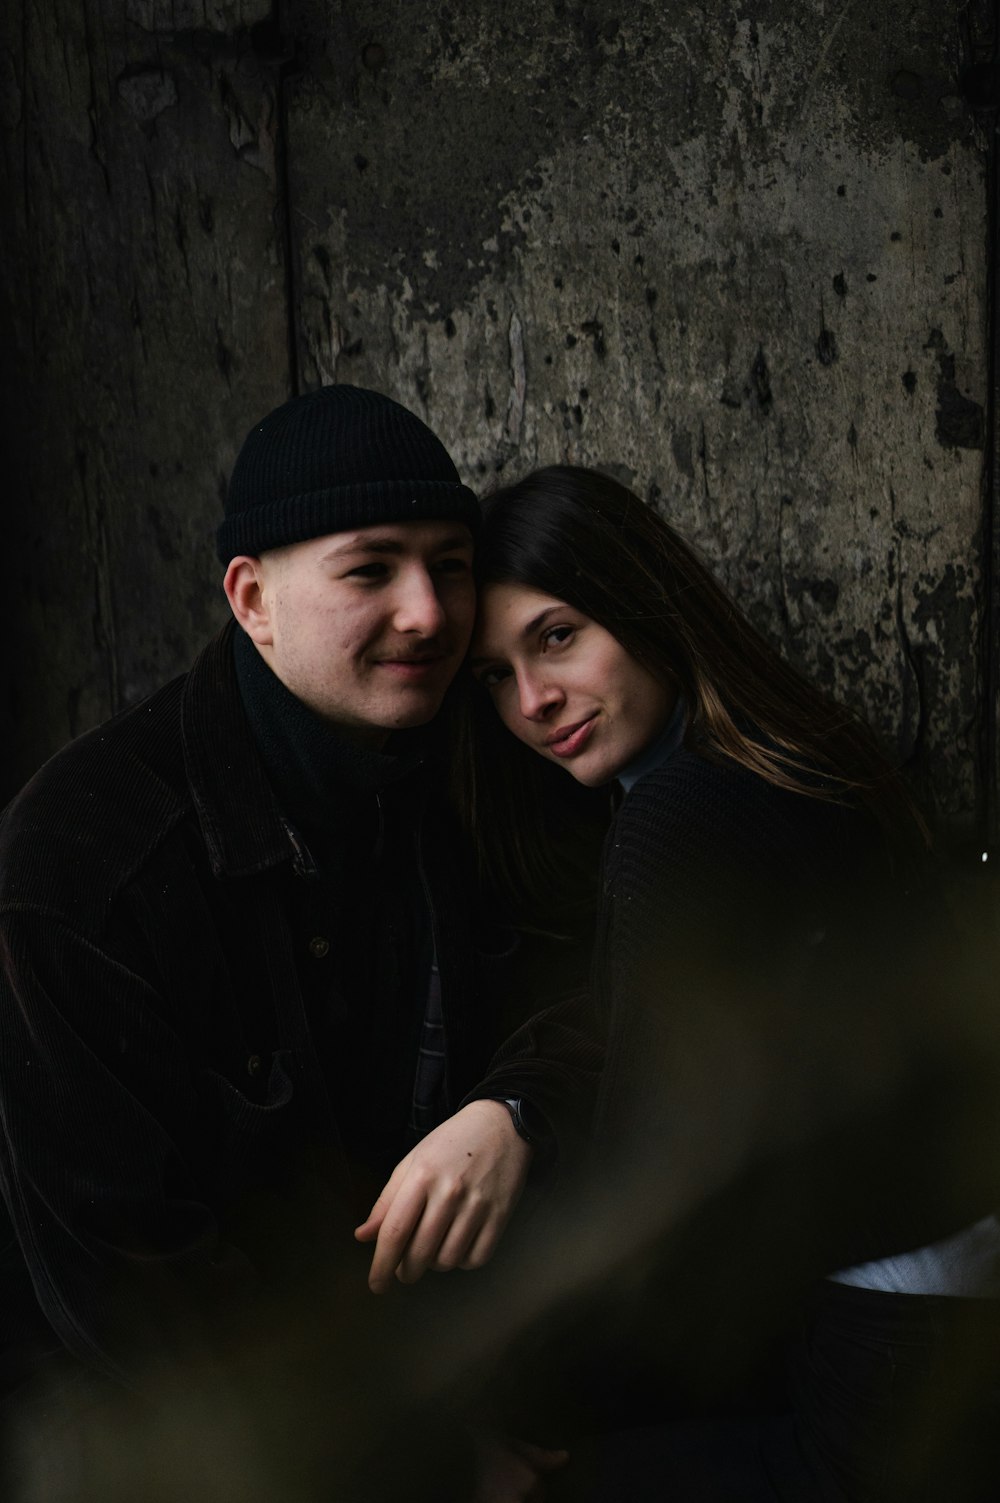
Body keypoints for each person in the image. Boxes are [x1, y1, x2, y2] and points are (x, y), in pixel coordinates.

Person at [0, 388, 597, 1482]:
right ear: (252, 598)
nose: (428, 611)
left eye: (450, 563)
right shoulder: (85, 854)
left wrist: (516, 1107)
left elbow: (613, 972)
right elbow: (133, 1293)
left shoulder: (487, 746)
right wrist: (429, 1458)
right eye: (370, 569)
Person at [463, 464, 1000, 1502]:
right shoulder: (799, 755)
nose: (534, 702)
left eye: (558, 635)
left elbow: (646, 1218)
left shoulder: (679, 814)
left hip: (877, 1374)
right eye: (493, 675)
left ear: (643, 606)